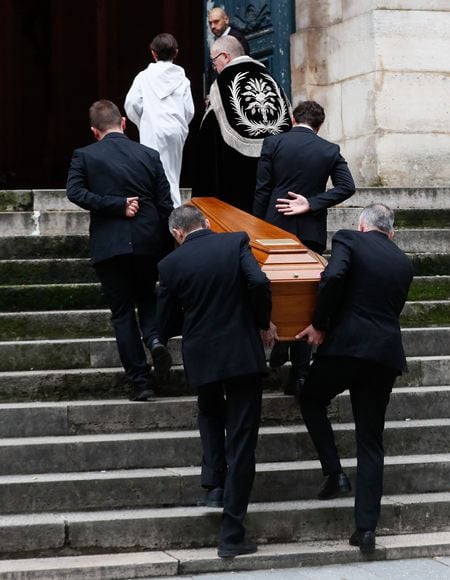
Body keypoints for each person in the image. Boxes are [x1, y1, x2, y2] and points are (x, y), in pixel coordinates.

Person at [156, 204, 276, 559]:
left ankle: (213, 485)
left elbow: (165, 321)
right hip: (241, 352)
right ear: (206, 223)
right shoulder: (235, 242)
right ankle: (231, 531)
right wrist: (262, 321)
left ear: (177, 234)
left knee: (208, 413)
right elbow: (258, 282)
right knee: (242, 441)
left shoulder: (170, 264)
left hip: (202, 355)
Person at [296, 204, 414, 554]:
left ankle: (334, 472)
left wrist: (319, 324)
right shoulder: (403, 262)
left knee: (311, 397)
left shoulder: (348, 239)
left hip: (346, 347)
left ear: (362, 225)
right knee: (371, 442)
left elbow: (332, 278)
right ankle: (365, 530)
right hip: (384, 355)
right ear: (390, 232)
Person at [66, 100, 174, 402]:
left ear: (94, 131)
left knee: (123, 313)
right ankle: (154, 339)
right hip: (147, 240)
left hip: (109, 245)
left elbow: (74, 192)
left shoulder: (84, 155)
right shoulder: (149, 155)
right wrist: (169, 243)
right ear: (124, 122)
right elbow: (165, 204)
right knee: (148, 299)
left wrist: (113, 204)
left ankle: (141, 382)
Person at [254, 100, 356, 395]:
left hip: (274, 229)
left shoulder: (273, 143)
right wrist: (311, 203)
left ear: (291, 118)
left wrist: (255, 226)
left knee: (275, 292)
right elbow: (347, 186)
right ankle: (299, 375)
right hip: (309, 232)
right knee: (305, 300)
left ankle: (278, 347)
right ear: (319, 125)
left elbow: (262, 189)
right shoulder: (328, 150)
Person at [193, 35, 292, 213]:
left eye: (214, 61)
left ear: (225, 56)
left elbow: (209, 134)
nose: (214, 68)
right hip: (279, 167)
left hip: (239, 180)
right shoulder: (269, 76)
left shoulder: (222, 83)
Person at [125, 33, 194, 208]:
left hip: (153, 128)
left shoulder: (144, 77)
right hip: (175, 129)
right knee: (172, 172)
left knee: (152, 173)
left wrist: (144, 120)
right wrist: (179, 124)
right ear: (176, 53)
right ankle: (174, 209)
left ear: (153, 53)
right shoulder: (183, 80)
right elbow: (189, 110)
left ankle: (161, 211)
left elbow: (131, 103)